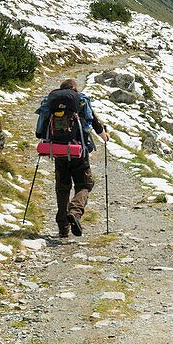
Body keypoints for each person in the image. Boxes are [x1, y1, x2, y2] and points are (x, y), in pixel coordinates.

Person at [52, 78, 109, 238]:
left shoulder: (53, 103)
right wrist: (104, 136)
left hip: (59, 151)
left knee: (62, 188)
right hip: (78, 151)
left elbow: (39, 131)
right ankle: (75, 212)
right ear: (75, 88)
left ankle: (63, 229)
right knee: (85, 184)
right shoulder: (80, 99)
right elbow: (93, 121)